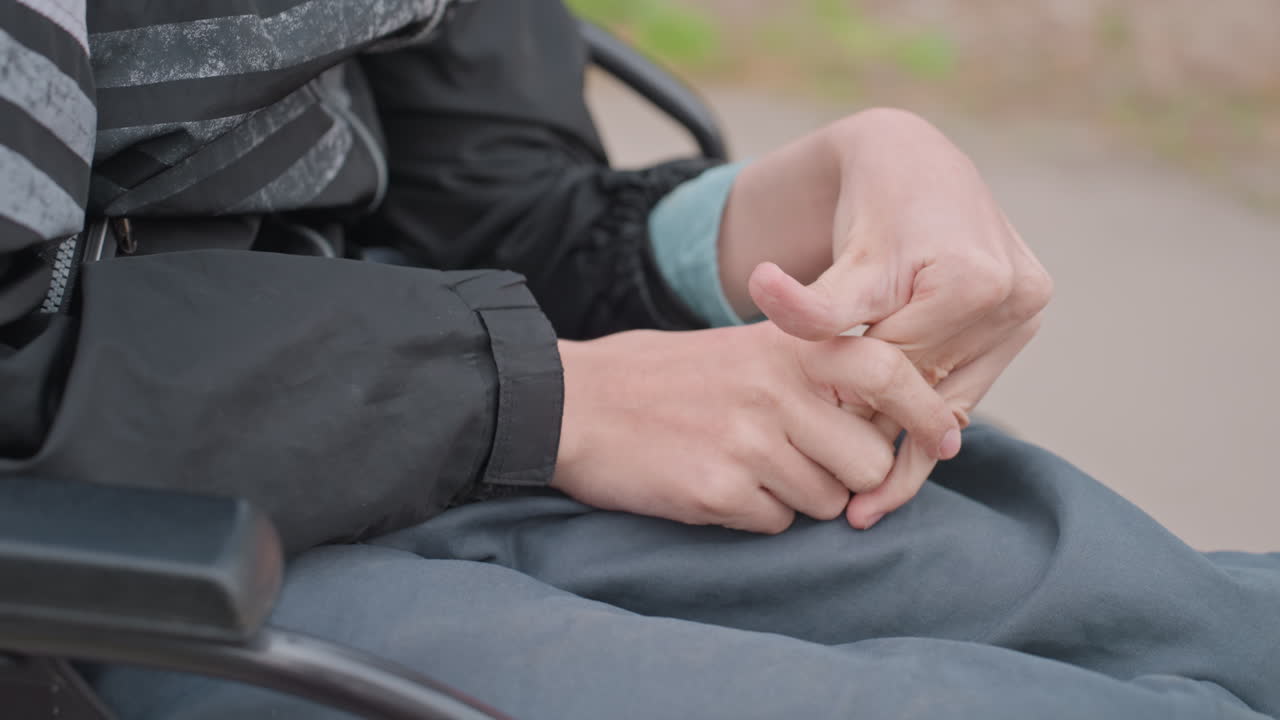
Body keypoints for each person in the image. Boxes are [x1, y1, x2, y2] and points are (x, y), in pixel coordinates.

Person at [2, 1, 1277, 718]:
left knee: (1189, 615)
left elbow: (486, 205)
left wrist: (788, 200)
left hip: (410, 402)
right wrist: (541, 397)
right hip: (104, 547)